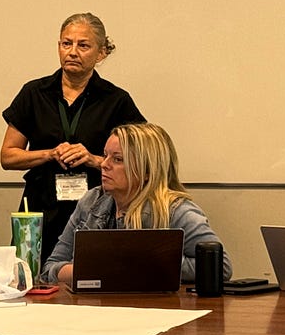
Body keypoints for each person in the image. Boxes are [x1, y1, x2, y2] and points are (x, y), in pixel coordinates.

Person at [0, 13, 144, 262]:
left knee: (92, 279)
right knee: (30, 280)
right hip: (40, 208)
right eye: (67, 43)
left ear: (101, 53)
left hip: (96, 210)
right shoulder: (34, 93)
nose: (73, 52)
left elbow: (140, 162)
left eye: (83, 45)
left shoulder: (116, 100)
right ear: (58, 46)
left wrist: (92, 159)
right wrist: (49, 153)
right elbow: (8, 156)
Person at [41, 122, 232, 286]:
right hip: (94, 311)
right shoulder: (91, 201)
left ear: (147, 170)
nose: (104, 165)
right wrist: (96, 270)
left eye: (117, 159)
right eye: (105, 155)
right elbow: (50, 268)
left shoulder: (175, 210)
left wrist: (142, 263)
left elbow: (220, 267)